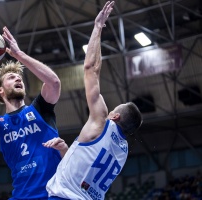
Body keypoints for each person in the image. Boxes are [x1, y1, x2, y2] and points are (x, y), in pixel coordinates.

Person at [44, 1, 143, 199]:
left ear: (114, 116)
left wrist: (98, 27)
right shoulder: (122, 153)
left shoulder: (101, 122)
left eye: (115, 107)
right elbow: (84, 171)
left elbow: (90, 69)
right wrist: (65, 149)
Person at [0, 26, 68, 200]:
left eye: (19, 77)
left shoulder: (40, 109)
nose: (18, 78)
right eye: (11, 77)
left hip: (53, 195)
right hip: (22, 196)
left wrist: (20, 55)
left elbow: (54, 83)